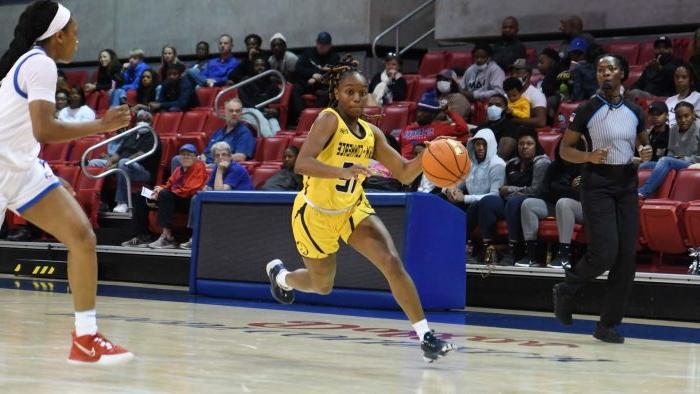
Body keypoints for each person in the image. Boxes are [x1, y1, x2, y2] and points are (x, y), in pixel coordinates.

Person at [264, 56, 456, 362]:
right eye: (349, 92)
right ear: (337, 93)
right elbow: (302, 164)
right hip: (315, 214)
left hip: (353, 209)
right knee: (321, 285)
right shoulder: (328, 120)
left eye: (361, 92)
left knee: (391, 261)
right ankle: (282, 277)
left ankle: (426, 337)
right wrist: (342, 171)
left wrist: (433, 152)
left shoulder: (372, 133)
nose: (356, 98)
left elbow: (405, 172)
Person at [0, 0, 133, 363]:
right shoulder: (39, 62)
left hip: (21, 167)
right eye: (75, 33)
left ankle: (86, 338)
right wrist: (102, 126)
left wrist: (48, 174)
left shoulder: (32, 63)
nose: (78, 39)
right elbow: (45, 128)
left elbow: (23, 132)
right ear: (58, 36)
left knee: (82, 237)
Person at [554, 54, 653, 344]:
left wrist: (646, 152)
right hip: (596, 183)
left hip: (625, 184)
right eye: (600, 70)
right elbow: (564, 150)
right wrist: (587, 156)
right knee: (605, 252)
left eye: (610, 69)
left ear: (622, 74)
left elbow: (642, 143)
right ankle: (567, 289)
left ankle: (607, 325)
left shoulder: (635, 110)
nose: (605, 74)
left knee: (626, 258)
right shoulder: (586, 109)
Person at [476, 128, 550, 266]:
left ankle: (514, 249)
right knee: (487, 201)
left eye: (529, 144)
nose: (524, 147)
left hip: (533, 202)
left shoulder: (542, 163)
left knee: (514, 202)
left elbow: (535, 191)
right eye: (521, 144)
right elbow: (502, 189)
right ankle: (488, 248)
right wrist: (506, 191)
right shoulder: (512, 163)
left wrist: (510, 190)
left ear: (536, 145)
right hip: (511, 202)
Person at [517, 142, 584, 268]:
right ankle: (531, 255)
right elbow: (544, 192)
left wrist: (559, 188)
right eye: (564, 150)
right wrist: (568, 188)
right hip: (554, 204)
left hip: (581, 207)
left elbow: (581, 195)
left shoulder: (585, 167)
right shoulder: (554, 166)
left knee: (563, 203)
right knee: (528, 204)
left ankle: (564, 256)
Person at [443, 129, 506, 263]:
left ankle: (470, 246)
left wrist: (465, 198)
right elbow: (456, 182)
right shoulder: (470, 163)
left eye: (484, 144)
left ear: (491, 145)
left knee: (479, 204)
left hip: (496, 205)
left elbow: (495, 195)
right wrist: (450, 190)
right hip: (474, 203)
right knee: (442, 199)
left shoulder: (497, 164)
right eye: (478, 144)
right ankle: (443, 244)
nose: (481, 148)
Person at [179, 141, 253, 250]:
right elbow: (208, 188)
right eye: (217, 155)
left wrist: (219, 171)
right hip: (228, 202)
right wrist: (202, 191)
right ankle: (195, 236)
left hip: (242, 205)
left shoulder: (236, 169)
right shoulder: (217, 169)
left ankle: (199, 238)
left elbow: (220, 193)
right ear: (214, 158)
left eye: (224, 154)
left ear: (230, 156)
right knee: (197, 198)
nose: (221, 158)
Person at [90, 110, 160, 213]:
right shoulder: (132, 135)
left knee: (123, 163)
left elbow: (140, 155)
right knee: (94, 163)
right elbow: (118, 153)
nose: (143, 122)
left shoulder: (152, 136)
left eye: (146, 120)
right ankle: (99, 200)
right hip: (122, 164)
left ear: (151, 122)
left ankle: (122, 202)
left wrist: (115, 166)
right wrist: (110, 162)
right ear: (136, 121)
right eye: (140, 119)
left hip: (143, 170)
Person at [142, 144, 207, 249]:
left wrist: (165, 191)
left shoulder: (199, 167)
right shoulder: (179, 169)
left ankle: (168, 237)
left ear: (195, 157)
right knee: (142, 194)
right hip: (180, 198)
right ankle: (147, 235)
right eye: (183, 155)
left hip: (191, 201)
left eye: (189, 155)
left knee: (165, 194)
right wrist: (159, 189)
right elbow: (169, 184)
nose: (185, 157)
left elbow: (189, 190)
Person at [638, 102, 700, 198]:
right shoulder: (674, 129)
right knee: (643, 165)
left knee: (665, 160)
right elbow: (671, 151)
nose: (683, 120)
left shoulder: (699, 128)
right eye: (679, 117)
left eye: (686, 116)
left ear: (693, 114)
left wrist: (685, 159)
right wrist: (674, 158)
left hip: (692, 164)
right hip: (675, 161)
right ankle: (627, 192)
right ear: (675, 118)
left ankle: (643, 192)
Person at [398, 90, 469, 159]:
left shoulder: (440, 128)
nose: (419, 114)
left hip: (423, 164)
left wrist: (448, 112)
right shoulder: (407, 128)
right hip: (401, 163)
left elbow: (463, 128)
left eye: (424, 112)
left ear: (432, 115)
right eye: (419, 110)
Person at [238, 56, 282, 137]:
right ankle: (269, 140)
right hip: (248, 110)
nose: (260, 68)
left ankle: (277, 143)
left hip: (266, 113)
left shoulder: (271, 83)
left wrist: (275, 110)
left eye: (262, 65)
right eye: (257, 65)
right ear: (252, 67)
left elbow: (276, 103)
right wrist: (262, 109)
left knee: (274, 123)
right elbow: (246, 102)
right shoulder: (245, 81)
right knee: (258, 115)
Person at [296, 31, 340, 106]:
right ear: (316, 43)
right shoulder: (308, 53)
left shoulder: (334, 57)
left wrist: (317, 78)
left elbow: (333, 72)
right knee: (295, 89)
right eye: (320, 43)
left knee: (329, 92)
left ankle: (316, 115)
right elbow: (298, 68)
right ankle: (300, 115)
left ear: (330, 45)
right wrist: (312, 74)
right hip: (308, 82)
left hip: (324, 85)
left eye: (325, 44)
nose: (321, 46)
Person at [476, 93, 522, 160]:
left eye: (498, 105)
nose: (493, 108)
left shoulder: (510, 127)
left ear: (506, 109)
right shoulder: (483, 126)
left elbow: (500, 157)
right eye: (490, 105)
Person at [510, 59, 548, 128]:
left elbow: (541, 121)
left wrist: (513, 120)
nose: (514, 76)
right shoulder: (508, 93)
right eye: (512, 73)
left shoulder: (536, 94)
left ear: (528, 75)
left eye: (518, 73)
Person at [536, 48, 564, 124]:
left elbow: (546, 87)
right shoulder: (551, 73)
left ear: (552, 61)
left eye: (541, 62)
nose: (538, 65)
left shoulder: (557, 69)